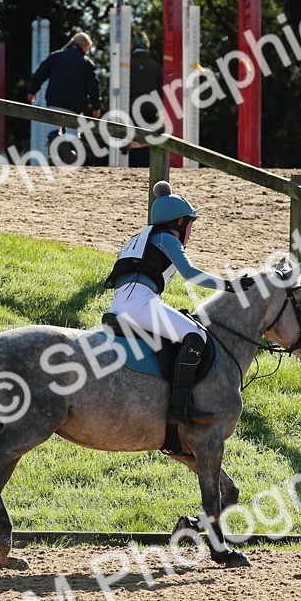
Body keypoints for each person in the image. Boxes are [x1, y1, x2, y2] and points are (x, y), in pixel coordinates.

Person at [103, 181, 249, 425]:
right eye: (190, 224)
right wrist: (229, 285)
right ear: (180, 223)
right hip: (139, 303)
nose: (191, 232)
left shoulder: (138, 238)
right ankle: (180, 407)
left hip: (119, 304)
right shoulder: (166, 239)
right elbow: (190, 274)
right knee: (196, 335)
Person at [27, 32, 101, 162]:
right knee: (73, 135)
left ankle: (58, 150)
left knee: (54, 131)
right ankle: (71, 159)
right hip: (75, 105)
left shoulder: (56, 57)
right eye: (87, 48)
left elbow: (40, 73)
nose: (87, 52)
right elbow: (93, 86)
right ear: (83, 45)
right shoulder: (86, 63)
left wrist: (32, 91)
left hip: (55, 101)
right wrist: (96, 106)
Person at [127, 31, 163, 168]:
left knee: (132, 140)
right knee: (146, 142)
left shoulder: (127, 65)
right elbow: (161, 91)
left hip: (130, 109)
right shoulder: (156, 66)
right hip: (150, 109)